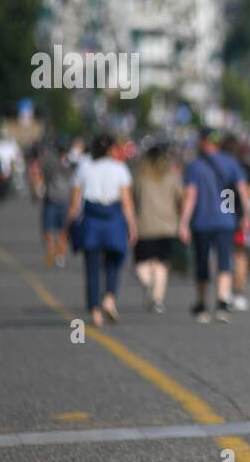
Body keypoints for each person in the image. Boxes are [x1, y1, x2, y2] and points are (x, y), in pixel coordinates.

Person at [178, 128, 249, 324]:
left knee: (202, 262)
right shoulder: (231, 163)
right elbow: (242, 192)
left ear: (202, 142)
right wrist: (246, 216)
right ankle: (222, 301)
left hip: (202, 221)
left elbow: (190, 196)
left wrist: (183, 222)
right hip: (226, 219)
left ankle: (201, 304)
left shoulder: (194, 166)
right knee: (224, 261)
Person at [67, 133, 137, 327]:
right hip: (113, 216)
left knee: (92, 267)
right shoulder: (119, 168)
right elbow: (127, 201)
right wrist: (132, 224)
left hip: (91, 218)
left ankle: (95, 310)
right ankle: (110, 297)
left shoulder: (84, 167)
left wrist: (69, 225)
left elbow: (75, 202)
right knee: (114, 260)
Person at [132, 144, 182, 314]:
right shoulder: (172, 177)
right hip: (167, 226)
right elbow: (180, 198)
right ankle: (158, 299)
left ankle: (148, 284)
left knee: (141, 263)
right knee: (161, 265)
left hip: (144, 225)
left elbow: (133, 199)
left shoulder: (140, 178)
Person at [221, 135, 250, 311]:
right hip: (241, 217)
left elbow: (222, 195)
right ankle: (238, 293)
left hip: (224, 216)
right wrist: (246, 215)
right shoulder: (246, 168)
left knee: (225, 255)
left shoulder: (221, 167)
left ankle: (225, 291)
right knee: (241, 256)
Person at [36, 140, 75, 268]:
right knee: (62, 229)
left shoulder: (50, 162)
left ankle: (54, 249)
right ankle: (59, 253)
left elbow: (41, 176)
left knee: (50, 228)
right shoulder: (70, 164)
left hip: (53, 199)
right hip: (63, 200)